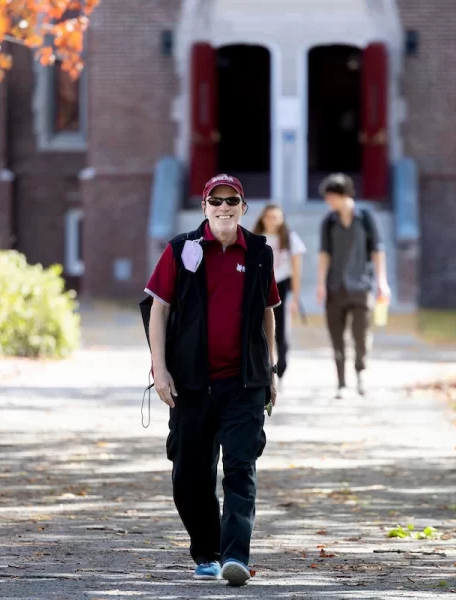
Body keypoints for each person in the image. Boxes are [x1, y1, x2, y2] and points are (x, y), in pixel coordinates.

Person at [140, 173, 281, 586]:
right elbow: (158, 310)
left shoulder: (258, 251)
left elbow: (267, 312)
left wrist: (268, 370)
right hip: (190, 384)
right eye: (215, 201)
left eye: (231, 200)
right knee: (190, 474)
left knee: (241, 467)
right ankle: (207, 551)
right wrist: (159, 368)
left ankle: (236, 555)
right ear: (204, 207)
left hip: (243, 384)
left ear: (242, 207)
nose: (223, 207)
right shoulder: (181, 249)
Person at [315, 173, 391, 398]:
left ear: (344, 195)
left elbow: (378, 250)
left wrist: (382, 282)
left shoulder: (366, 218)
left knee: (361, 334)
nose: (328, 202)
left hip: (361, 286)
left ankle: (361, 374)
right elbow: (324, 254)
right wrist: (320, 283)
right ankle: (341, 382)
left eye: (331, 197)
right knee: (336, 336)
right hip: (335, 287)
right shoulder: (328, 222)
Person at [252, 204, 307, 386]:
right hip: (260, 287)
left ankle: (281, 369)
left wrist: (296, 298)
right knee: (258, 330)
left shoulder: (290, 238)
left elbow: (297, 270)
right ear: (262, 218)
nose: (272, 221)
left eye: (276, 217)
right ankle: (261, 369)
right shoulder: (256, 238)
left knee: (281, 331)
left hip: (282, 286)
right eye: (269, 217)